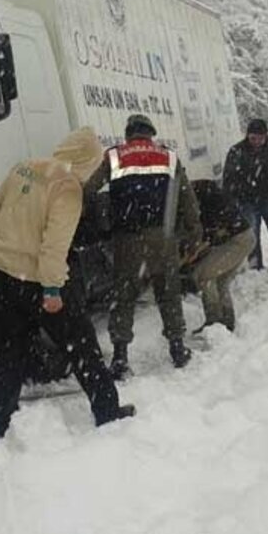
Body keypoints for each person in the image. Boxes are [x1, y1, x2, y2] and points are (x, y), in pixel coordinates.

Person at [0, 128, 134, 440]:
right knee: (82, 348)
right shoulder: (68, 188)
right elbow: (54, 246)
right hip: (39, 281)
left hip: (4, 275)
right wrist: (52, 290)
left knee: (7, 353)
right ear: (87, 161)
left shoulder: (23, 168)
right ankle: (107, 411)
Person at [84, 114, 205, 379]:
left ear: (129, 133)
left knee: (124, 295)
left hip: (127, 239)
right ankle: (177, 347)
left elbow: (89, 191)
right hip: (162, 236)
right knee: (168, 291)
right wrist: (194, 233)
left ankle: (120, 357)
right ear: (151, 133)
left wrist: (104, 220)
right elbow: (187, 199)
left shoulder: (114, 156)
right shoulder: (169, 157)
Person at [222, 119, 268, 274]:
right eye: (253, 138)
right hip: (247, 202)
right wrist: (232, 200)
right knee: (252, 238)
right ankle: (255, 268)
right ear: (247, 136)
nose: (256, 142)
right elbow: (229, 179)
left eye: (260, 138)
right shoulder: (237, 151)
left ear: (265, 136)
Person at [183, 179, 256, 334]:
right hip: (246, 237)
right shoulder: (211, 194)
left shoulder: (206, 203)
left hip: (237, 241)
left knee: (204, 275)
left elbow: (207, 233)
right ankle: (228, 321)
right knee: (221, 280)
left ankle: (214, 320)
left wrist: (193, 252)